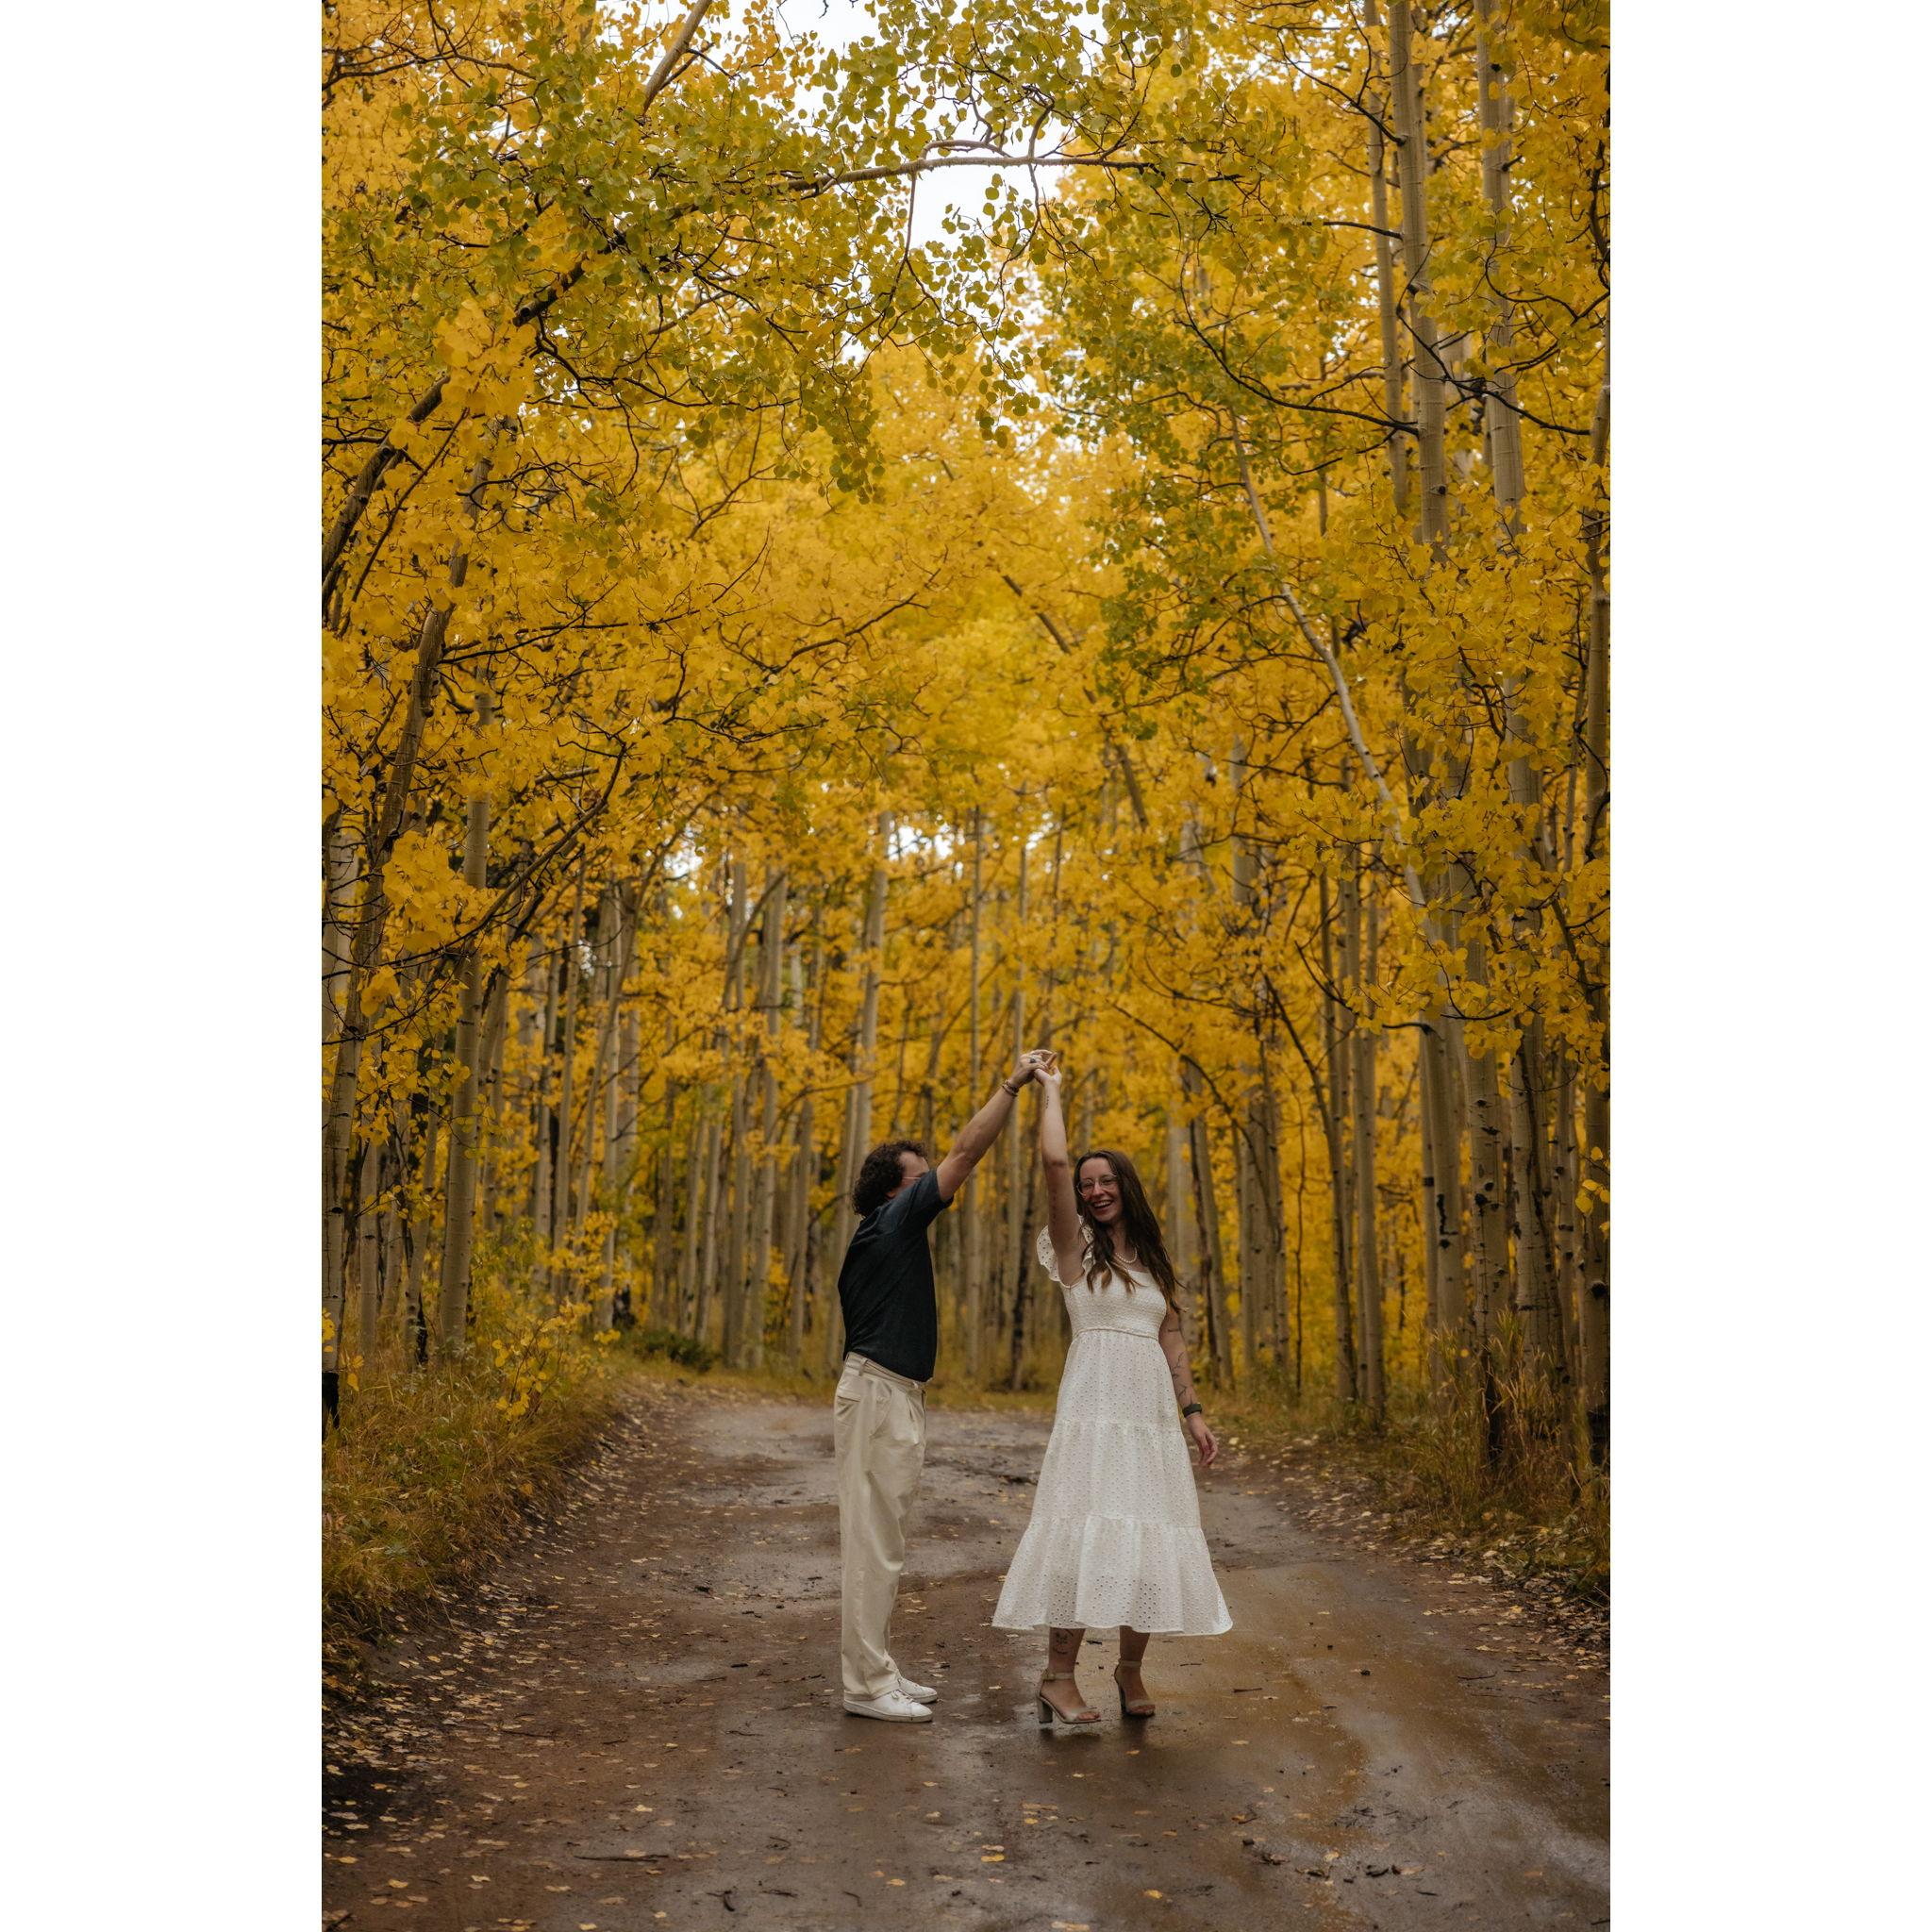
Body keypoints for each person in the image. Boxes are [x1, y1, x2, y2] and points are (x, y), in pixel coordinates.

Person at [991, 1055, 1231, 1723]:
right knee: (1082, 1535)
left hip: (1149, 1421)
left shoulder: (1152, 1263)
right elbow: (1054, 1167)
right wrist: (1050, 1092)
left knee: (1147, 1537)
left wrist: (1193, 1412)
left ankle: (1130, 1672)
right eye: (1089, 1183)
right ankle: (1058, 1676)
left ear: (1127, 1186)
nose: (1095, 1191)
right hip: (1095, 1415)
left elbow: (1171, 1336)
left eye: (1107, 1181)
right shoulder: (1076, 1252)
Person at [834, 1047, 1057, 1722]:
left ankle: (878, 1668)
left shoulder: (889, 1234)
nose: (937, 1184)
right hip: (877, 1393)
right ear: (896, 1191)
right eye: (921, 1177)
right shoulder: (892, 1224)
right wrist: (1014, 1084)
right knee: (873, 1546)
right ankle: (865, 1687)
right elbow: (968, 1153)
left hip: (894, 1394)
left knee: (885, 1543)